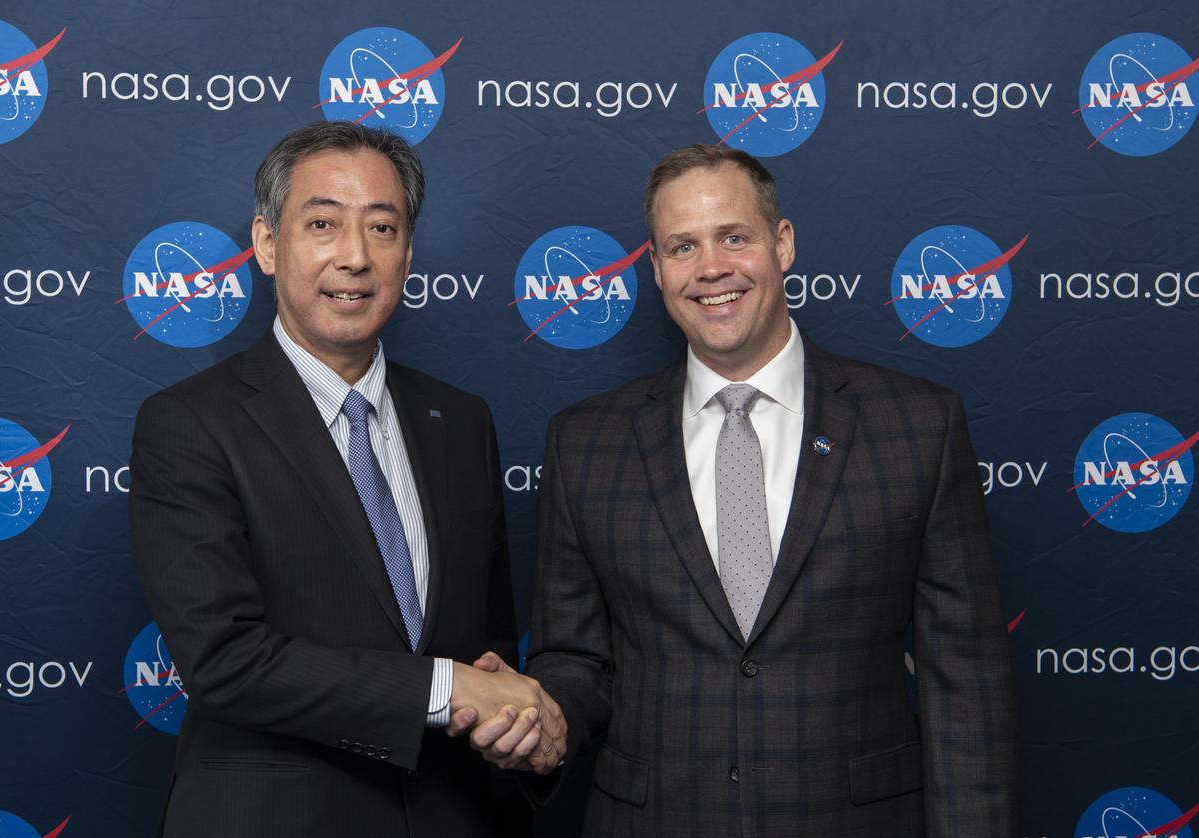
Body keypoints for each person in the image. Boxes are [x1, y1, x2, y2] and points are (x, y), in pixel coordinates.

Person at [472, 144, 1018, 835]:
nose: (711, 269)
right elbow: (578, 660)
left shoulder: (917, 426)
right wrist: (539, 717)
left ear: (782, 243)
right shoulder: (586, 443)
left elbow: (965, 681)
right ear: (656, 268)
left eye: (734, 237)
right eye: (683, 246)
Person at [129, 121, 562, 838]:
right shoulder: (190, 425)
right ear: (268, 245)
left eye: (382, 228)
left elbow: (486, 651)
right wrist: (454, 687)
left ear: (409, 251)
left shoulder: (460, 421)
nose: (354, 257)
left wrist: (515, 722)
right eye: (323, 223)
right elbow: (225, 661)